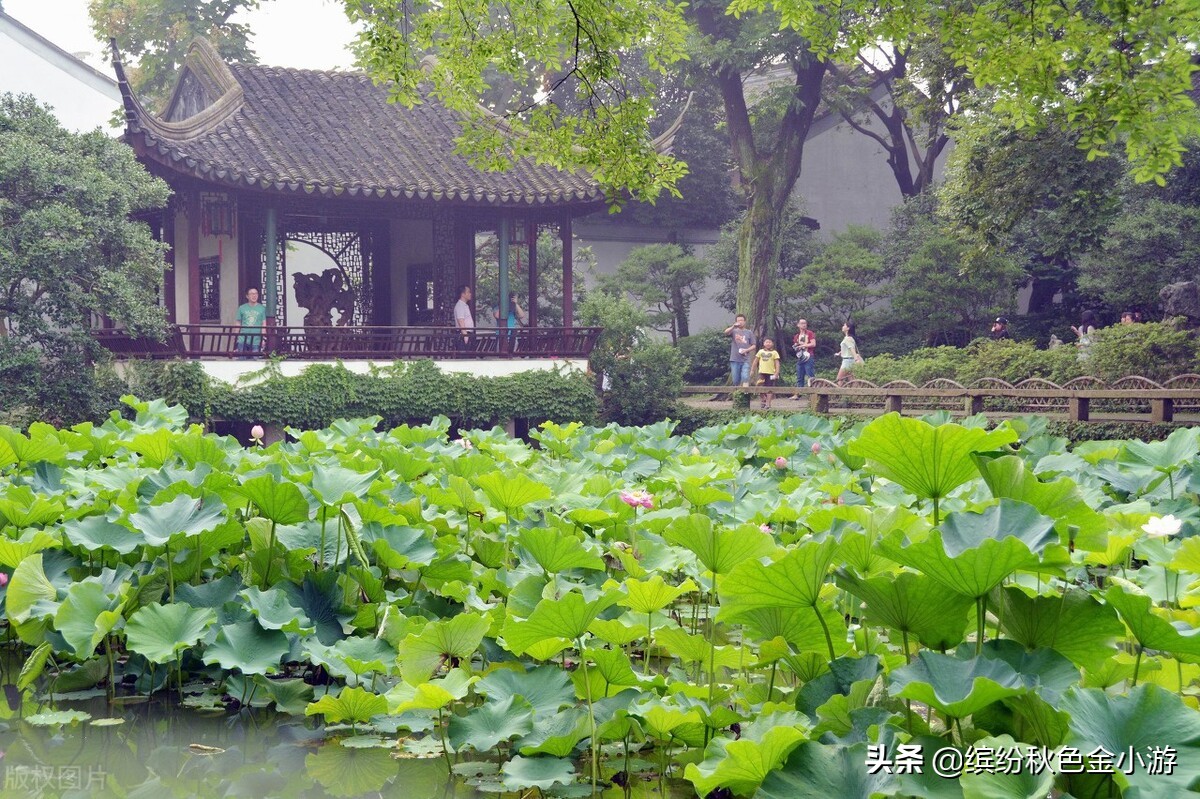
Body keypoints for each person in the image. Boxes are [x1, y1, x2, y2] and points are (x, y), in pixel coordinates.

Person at [723, 314, 756, 386]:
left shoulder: (749, 332)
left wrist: (746, 350)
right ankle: (737, 394)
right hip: (735, 359)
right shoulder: (734, 331)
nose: (740, 322)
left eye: (741, 320)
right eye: (738, 320)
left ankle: (746, 393)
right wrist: (733, 326)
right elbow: (725, 332)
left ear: (745, 321)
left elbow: (754, 345)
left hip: (745, 359)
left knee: (745, 377)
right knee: (735, 380)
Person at [235, 287, 266, 356]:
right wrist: (236, 336)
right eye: (252, 294)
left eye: (256, 294)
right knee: (242, 360)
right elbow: (238, 323)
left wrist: (263, 338)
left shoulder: (262, 308)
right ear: (247, 296)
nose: (254, 296)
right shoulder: (242, 308)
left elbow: (263, 323)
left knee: (255, 361)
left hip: (256, 340)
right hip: (243, 339)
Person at [791, 318, 817, 396]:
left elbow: (813, 344)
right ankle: (798, 394)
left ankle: (813, 393)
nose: (804, 325)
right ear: (798, 325)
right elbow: (796, 345)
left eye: (805, 323)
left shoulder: (810, 333)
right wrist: (796, 347)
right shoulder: (797, 336)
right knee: (799, 375)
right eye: (802, 323)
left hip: (809, 355)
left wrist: (803, 345)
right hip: (800, 357)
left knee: (810, 374)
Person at [753, 338, 781, 409]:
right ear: (764, 343)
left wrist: (777, 372)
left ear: (772, 344)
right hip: (761, 372)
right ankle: (763, 399)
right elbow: (755, 361)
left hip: (771, 373)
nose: (768, 343)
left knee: (769, 388)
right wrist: (752, 370)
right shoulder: (760, 351)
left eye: (770, 342)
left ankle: (768, 404)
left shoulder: (774, 352)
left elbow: (777, 363)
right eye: (766, 342)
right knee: (759, 386)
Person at [836, 321, 862, 386]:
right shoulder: (849, 338)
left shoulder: (848, 338)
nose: (842, 326)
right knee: (852, 380)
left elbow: (852, 349)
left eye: (844, 325)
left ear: (848, 328)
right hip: (850, 360)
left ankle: (838, 394)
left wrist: (856, 359)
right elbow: (848, 348)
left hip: (847, 361)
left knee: (839, 379)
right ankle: (856, 394)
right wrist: (840, 353)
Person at [454, 284, 475, 351]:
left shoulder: (464, 305)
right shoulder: (460, 305)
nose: (470, 294)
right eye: (468, 292)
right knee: (464, 357)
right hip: (464, 334)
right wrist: (465, 336)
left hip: (467, 333)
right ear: (463, 294)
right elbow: (461, 321)